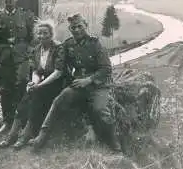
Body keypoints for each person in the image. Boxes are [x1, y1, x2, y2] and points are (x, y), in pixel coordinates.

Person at [31, 13, 122, 154]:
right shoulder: (68, 45)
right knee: (59, 100)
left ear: (86, 26)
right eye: (73, 28)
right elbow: (59, 65)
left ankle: (113, 141)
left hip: (97, 85)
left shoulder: (95, 43)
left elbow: (106, 69)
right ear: (70, 30)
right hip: (78, 85)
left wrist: (88, 80)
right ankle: (42, 137)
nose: (77, 30)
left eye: (80, 26)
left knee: (100, 110)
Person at [0, 19, 69, 149]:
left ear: (51, 34)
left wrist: (39, 86)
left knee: (37, 95)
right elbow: (36, 71)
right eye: (39, 33)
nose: (42, 36)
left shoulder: (59, 48)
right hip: (43, 83)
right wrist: (33, 83)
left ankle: (25, 136)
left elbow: (58, 72)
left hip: (58, 83)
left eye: (45, 33)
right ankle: (12, 136)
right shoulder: (37, 50)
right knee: (28, 94)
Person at [0, 0, 35, 134]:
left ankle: (23, 122)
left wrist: (29, 54)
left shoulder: (26, 15)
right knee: (5, 90)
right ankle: (7, 122)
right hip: (4, 59)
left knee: (22, 88)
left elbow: (33, 39)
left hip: (22, 58)